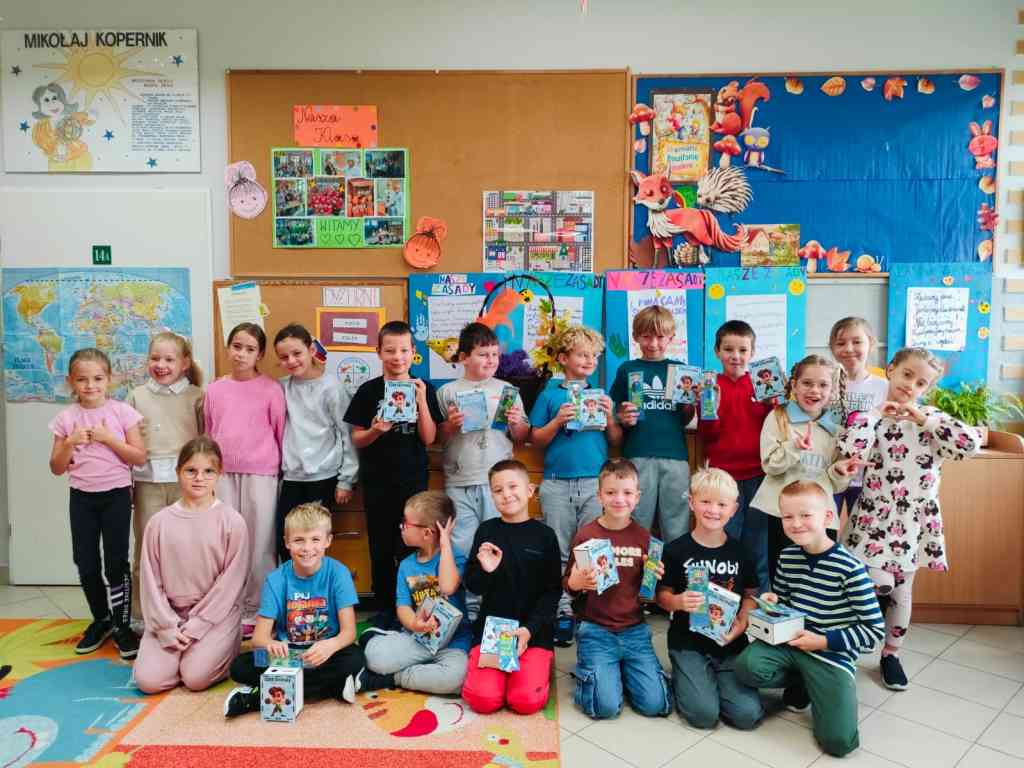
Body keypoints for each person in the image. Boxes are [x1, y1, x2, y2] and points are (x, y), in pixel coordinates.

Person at [838, 347, 980, 690]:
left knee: (902, 591)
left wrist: (925, 420)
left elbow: (969, 445)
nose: (910, 385)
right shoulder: (871, 416)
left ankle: (891, 654)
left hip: (914, 521)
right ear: (890, 370)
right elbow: (850, 449)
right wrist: (875, 414)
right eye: (906, 375)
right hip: (872, 517)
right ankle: (848, 647)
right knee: (862, 583)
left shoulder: (932, 420)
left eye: (920, 383)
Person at [736, 481, 884, 757]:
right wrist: (773, 601)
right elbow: (785, 602)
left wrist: (823, 641)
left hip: (829, 652)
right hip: (791, 643)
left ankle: (820, 683)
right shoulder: (787, 556)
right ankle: (803, 681)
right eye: (788, 516)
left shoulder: (850, 569)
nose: (796, 524)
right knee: (746, 666)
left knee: (839, 743)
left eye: (805, 515)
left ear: (827, 517)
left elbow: (874, 630)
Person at [223, 502, 366, 717]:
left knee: (355, 658)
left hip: (325, 654)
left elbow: (349, 632)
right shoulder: (275, 579)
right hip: (288, 656)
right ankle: (332, 687)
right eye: (299, 540)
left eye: (315, 540)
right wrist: (271, 644)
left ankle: (259, 698)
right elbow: (259, 638)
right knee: (240, 666)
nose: (307, 548)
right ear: (287, 542)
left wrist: (331, 645)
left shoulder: (339, 573)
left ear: (328, 541)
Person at [48, 348, 145, 658]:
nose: (90, 385)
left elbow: (138, 457)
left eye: (98, 378)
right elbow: (56, 467)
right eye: (82, 379)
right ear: (71, 382)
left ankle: (122, 625)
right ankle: (101, 619)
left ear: (109, 380)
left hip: (116, 495)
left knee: (116, 563)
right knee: (85, 561)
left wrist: (107, 438)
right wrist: (70, 442)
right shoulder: (66, 419)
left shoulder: (122, 412)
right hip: (82, 498)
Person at [529, 326, 622, 646]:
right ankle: (563, 609)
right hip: (557, 483)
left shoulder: (601, 395)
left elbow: (615, 440)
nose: (589, 361)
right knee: (558, 549)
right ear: (562, 358)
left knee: (593, 549)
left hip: (595, 483)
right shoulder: (550, 394)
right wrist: (557, 421)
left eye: (594, 356)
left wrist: (610, 418)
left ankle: (594, 609)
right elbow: (535, 439)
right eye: (582, 355)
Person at [345, 321, 445, 615]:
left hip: (413, 482)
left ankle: (417, 609)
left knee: (416, 546)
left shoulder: (425, 388)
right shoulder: (368, 390)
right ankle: (385, 609)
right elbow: (357, 439)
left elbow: (429, 438)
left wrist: (421, 400)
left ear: (414, 352)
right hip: (377, 482)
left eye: (403, 350)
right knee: (381, 547)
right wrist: (376, 430)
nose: (397, 357)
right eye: (390, 350)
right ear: (378, 352)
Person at [134, 437, 248, 693]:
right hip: (170, 615)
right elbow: (151, 582)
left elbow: (230, 584)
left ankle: (219, 648)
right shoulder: (158, 523)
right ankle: (178, 658)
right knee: (148, 681)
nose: (199, 478)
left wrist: (197, 625)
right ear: (178, 472)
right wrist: (166, 627)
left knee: (196, 678)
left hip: (215, 617)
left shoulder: (232, 522)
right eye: (191, 471)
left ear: (219, 474)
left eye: (208, 471)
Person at [657, 467, 763, 730]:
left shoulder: (741, 552)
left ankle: (711, 681)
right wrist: (678, 602)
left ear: (734, 509)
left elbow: (751, 594)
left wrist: (742, 623)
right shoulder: (675, 550)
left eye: (722, 504)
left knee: (747, 715)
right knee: (703, 716)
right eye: (705, 501)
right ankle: (688, 678)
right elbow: (662, 596)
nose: (713, 510)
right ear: (691, 503)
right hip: (688, 643)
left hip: (729, 644)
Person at [564, 458, 670, 720]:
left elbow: (650, 596)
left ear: (637, 497)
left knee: (655, 705)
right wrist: (576, 583)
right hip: (596, 628)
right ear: (599, 495)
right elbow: (569, 586)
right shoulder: (586, 535)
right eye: (611, 492)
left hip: (634, 630)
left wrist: (654, 579)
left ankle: (615, 671)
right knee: (605, 708)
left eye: (627, 493)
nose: (619, 499)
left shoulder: (645, 538)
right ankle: (597, 672)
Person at [749, 355, 862, 585]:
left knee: (821, 578)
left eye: (823, 385)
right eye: (807, 383)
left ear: (832, 390)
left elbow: (836, 485)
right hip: (783, 514)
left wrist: (840, 472)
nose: (815, 390)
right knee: (782, 575)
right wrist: (794, 447)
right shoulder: (778, 417)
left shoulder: (837, 431)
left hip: (821, 517)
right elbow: (770, 466)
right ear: (794, 385)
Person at [204, 322, 285, 637]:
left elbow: (280, 431)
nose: (241, 354)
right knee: (224, 541)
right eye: (237, 347)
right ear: (228, 348)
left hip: (261, 473)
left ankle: (259, 608)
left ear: (259, 354)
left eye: (250, 349)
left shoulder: (271, 389)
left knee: (260, 542)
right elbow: (209, 430)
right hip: (223, 474)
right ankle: (227, 605)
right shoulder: (215, 389)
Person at [461, 460, 560, 714]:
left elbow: (552, 592)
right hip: (493, 631)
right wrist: (486, 570)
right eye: (498, 490)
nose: (506, 494)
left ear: (530, 490)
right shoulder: (486, 531)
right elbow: (473, 585)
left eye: (513, 486)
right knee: (483, 700)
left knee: (525, 701)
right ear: (492, 495)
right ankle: (500, 675)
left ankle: (535, 668)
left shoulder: (545, 535)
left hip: (533, 632)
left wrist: (530, 629)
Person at [126, 332, 204, 628]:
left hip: (187, 485)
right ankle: (141, 615)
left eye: (169, 359)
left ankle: (187, 612)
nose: (161, 365)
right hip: (147, 485)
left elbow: (205, 442)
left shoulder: (197, 396)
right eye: (155, 358)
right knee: (147, 550)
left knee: (187, 549)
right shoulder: (136, 396)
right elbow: (126, 441)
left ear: (184, 363)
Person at [360, 490, 471, 694]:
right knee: (374, 657)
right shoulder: (406, 565)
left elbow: (447, 587)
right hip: (419, 638)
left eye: (405, 523)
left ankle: (394, 678)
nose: (401, 527)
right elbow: (403, 606)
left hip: (453, 643)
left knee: (457, 678)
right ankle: (381, 639)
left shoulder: (456, 558)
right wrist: (414, 624)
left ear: (427, 533)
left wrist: (445, 545)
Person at [438, 323, 530, 561]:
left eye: (495, 355)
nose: (491, 360)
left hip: (498, 482)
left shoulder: (507, 390)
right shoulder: (447, 392)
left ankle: (496, 586)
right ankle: (466, 587)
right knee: (461, 546)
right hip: (460, 480)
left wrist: (516, 423)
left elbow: (521, 437)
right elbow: (436, 438)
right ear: (464, 358)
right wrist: (451, 425)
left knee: (499, 543)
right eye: (483, 355)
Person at [697, 320, 775, 593]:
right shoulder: (710, 386)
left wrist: (771, 406)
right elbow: (708, 435)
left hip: (757, 476)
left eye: (743, 350)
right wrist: (711, 409)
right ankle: (722, 596)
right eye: (728, 349)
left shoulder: (762, 384)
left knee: (757, 542)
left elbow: (773, 428)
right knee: (724, 538)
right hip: (723, 478)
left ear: (752, 353)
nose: (736, 356)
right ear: (717, 351)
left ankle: (760, 597)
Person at [609, 306, 695, 546]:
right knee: (637, 519)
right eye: (646, 336)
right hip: (638, 454)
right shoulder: (627, 369)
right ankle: (636, 568)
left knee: (676, 522)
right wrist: (622, 416)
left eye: (660, 337)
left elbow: (685, 418)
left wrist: (690, 403)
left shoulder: (680, 370)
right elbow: (616, 411)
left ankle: (673, 570)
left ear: (671, 338)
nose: (653, 343)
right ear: (635, 337)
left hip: (675, 456)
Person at [274, 323, 358, 562]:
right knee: (285, 543)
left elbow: (347, 434)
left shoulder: (332, 388)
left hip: (323, 478)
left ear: (311, 350)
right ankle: (292, 586)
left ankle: (314, 586)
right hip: (291, 478)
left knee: (312, 544)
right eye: (284, 357)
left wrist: (346, 480)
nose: (291, 361)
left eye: (297, 353)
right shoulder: (281, 387)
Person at [827, 317, 889, 524]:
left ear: (871, 343)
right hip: (831, 472)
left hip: (868, 476)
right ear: (832, 348)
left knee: (864, 533)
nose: (848, 349)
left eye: (857, 341)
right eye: (840, 343)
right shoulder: (824, 384)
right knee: (825, 530)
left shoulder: (885, 387)